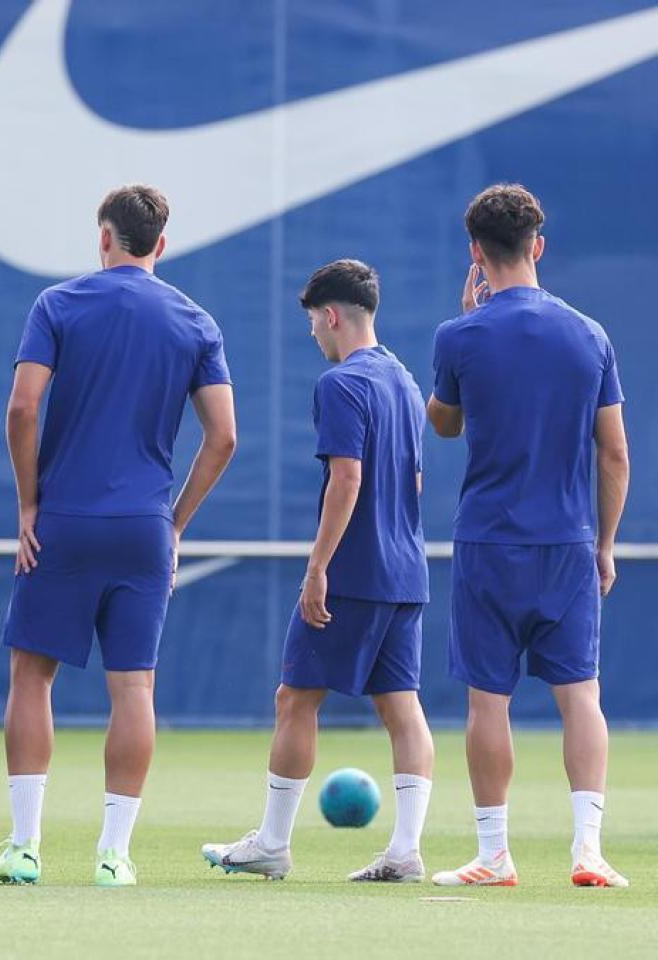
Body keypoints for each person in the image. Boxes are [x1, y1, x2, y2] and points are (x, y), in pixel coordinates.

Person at [0, 184, 236, 887]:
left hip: (62, 522)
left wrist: (28, 505)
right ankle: (113, 854)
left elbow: (21, 408)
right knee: (135, 689)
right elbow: (224, 437)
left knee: (32, 676)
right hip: (143, 529)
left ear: (104, 238)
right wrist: (175, 521)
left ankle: (27, 848)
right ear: (161, 244)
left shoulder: (58, 305)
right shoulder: (195, 321)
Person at [202, 260, 434, 882]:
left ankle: (273, 844)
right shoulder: (406, 382)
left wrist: (318, 566)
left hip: (354, 572)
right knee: (402, 707)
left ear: (331, 315)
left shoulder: (341, 384)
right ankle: (406, 851)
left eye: (312, 322)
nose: (313, 334)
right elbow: (413, 481)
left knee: (296, 698)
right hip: (407, 572)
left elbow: (347, 477)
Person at [426, 185, 630, 888]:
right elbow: (614, 455)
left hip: (488, 540)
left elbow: (445, 424)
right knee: (581, 695)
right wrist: (603, 545)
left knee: (489, 700)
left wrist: (462, 329)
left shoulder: (460, 335)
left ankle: (494, 855)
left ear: (476, 253)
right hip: (567, 544)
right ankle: (588, 851)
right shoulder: (589, 334)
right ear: (538, 246)